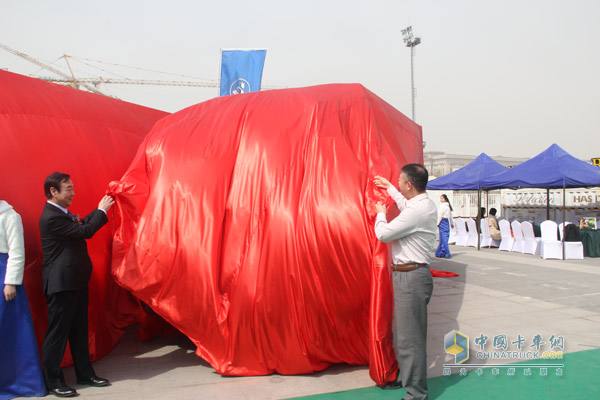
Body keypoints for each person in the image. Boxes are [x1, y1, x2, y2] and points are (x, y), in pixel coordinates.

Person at [40, 172, 114, 398]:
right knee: (58, 334)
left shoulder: (62, 214)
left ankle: (85, 374)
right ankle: (53, 381)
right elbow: (85, 231)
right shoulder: (51, 217)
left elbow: (80, 224)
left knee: (79, 331)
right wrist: (102, 210)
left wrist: (99, 210)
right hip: (61, 285)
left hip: (75, 282)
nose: (73, 192)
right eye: (68, 189)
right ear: (54, 191)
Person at [373, 164, 437, 400]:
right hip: (409, 275)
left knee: (411, 339)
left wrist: (380, 212)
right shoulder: (421, 204)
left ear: (409, 185)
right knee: (405, 336)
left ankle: (416, 393)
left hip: (411, 278)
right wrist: (389, 188)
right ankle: (410, 379)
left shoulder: (417, 211)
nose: (398, 183)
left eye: (400, 181)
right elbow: (404, 205)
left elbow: (384, 234)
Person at [0, 200, 47, 399]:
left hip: (4, 279)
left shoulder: (9, 215)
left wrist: (11, 282)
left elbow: (17, 252)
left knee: (11, 331)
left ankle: (21, 382)